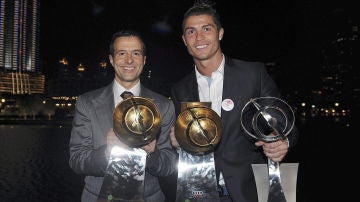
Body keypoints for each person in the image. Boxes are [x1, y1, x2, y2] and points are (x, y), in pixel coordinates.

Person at [169, 2, 299, 202]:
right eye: (191, 32)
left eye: (206, 29)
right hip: (201, 193)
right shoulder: (180, 89)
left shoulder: (252, 74)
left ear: (220, 33)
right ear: (184, 40)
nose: (199, 37)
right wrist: (178, 142)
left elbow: (285, 124)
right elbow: (187, 143)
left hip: (248, 191)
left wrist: (283, 141)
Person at [69, 30, 177, 202]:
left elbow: (169, 166)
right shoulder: (87, 103)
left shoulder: (164, 105)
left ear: (144, 60)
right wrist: (107, 152)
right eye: (121, 53)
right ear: (111, 60)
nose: (129, 60)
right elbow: (76, 160)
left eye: (136, 53)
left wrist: (152, 153)